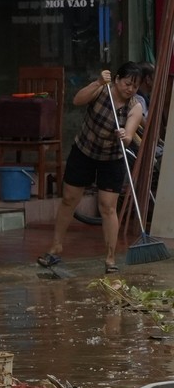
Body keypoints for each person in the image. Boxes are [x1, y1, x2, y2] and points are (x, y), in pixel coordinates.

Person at [37, 62, 144, 274]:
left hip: (111, 158)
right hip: (84, 150)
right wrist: (97, 82)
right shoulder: (102, 90)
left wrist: (125, 135)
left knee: (107, 206)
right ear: (116, 80)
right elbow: (77, 100)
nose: (130, 89)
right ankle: (55, 248)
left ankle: (110, 258)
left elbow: (130, 133)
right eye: (127, 83)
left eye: (135, 86)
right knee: (69, 199)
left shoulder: (135, 106)